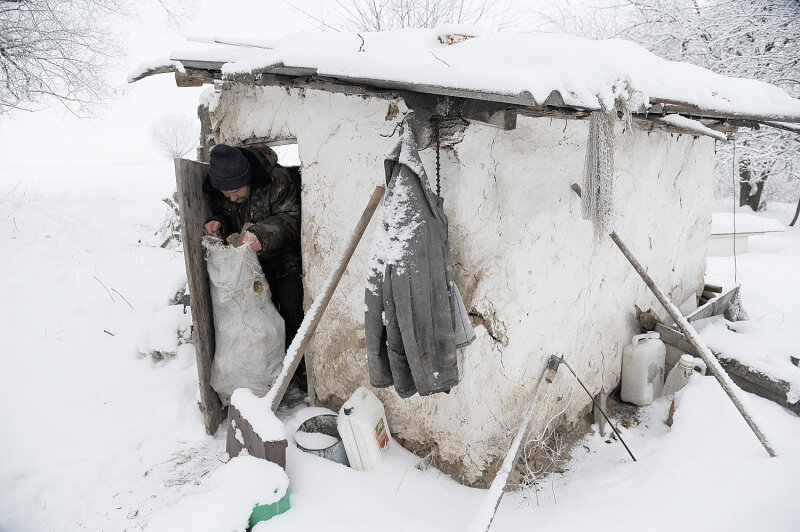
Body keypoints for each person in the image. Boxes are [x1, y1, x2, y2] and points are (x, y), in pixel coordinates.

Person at [202, 143, 304, 357]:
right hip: (248, 270)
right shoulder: (222, 193)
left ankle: (298, 370)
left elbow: (292, 218)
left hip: (285, 262)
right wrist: (217, 223)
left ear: (248, 178)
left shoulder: (277, 180)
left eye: (236, 191)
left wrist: (262, 234)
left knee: (292, 314)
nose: (231, 197)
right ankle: (269, 369)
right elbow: (226, 213)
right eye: (225, 193)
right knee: (255, 321)